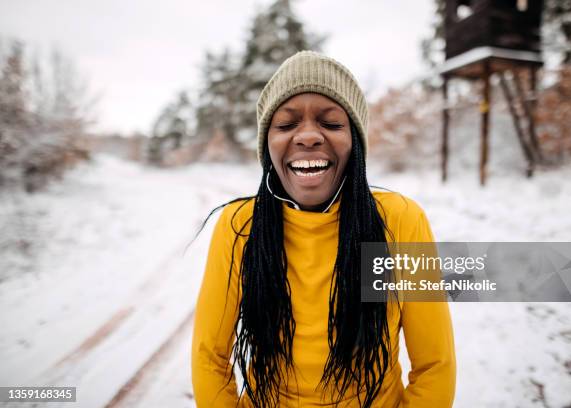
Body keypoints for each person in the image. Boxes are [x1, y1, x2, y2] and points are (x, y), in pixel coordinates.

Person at [191, 50, 456, 407]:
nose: (308, 137)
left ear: (356, 143)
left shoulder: (401, 221)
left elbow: (435, 365)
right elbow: (210, 357)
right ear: (267, 145)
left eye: (331, 123)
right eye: (286, 125)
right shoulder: (239, 226)